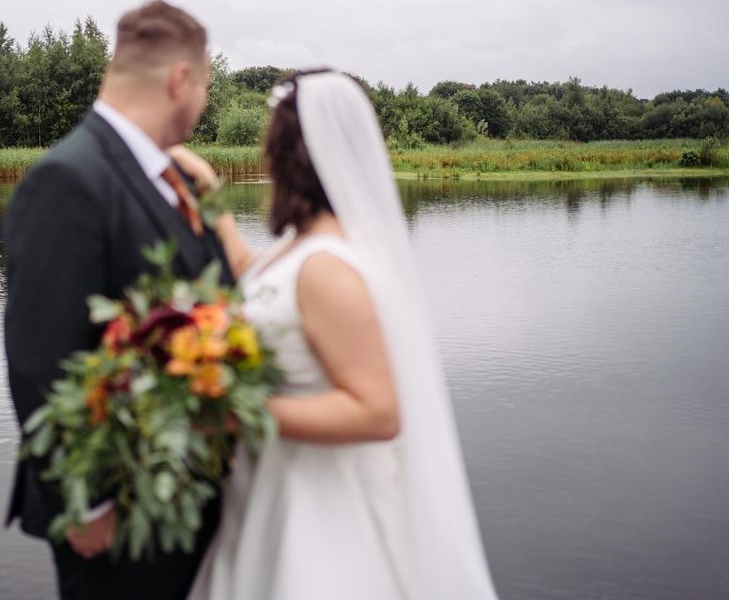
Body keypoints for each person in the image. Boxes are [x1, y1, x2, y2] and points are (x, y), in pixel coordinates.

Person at [172, 70, 500, 599]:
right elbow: (259, 285)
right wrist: (209, 198)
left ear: (288, 158)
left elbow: (377, 411)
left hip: (320, 512)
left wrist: (235, 409)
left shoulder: (329, 266)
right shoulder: (302, 250)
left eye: (269, 148)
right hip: (270, 494)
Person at [2, 0, 233, 600]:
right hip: (118, 515)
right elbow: (40, 361)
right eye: (206, 85)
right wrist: (89, 500)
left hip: (180, 492)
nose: (203, 101)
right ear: (180, 80)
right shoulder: (69, 179)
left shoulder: (170, 176)